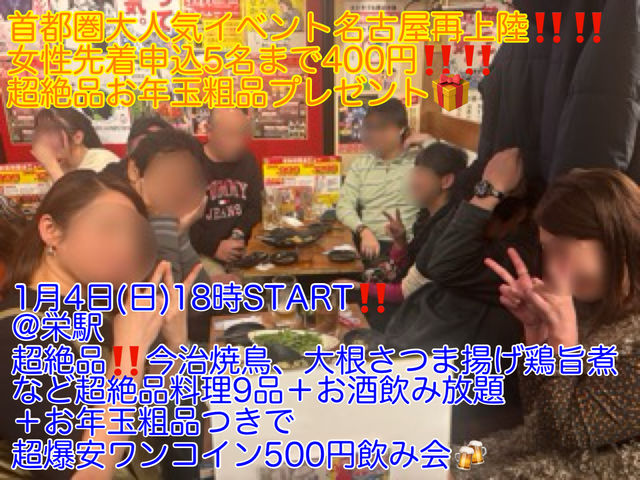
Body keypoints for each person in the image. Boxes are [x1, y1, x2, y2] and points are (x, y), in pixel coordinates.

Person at [0, 170, 201, 479]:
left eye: (133, 235)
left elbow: (145, 424)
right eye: (108, 228)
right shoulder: (19, 335)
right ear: (51, 231)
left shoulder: (92, 312)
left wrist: (174, 345)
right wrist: (129, 354)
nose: (125, 247)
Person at [457, 169, 640, 478]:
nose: (552, 268)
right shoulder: (593, 307)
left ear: (616, 237)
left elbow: (565, 434)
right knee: (441, 460)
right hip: (543, 454)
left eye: (563, 250)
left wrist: (564, 346)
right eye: (547, 251)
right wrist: (537, 335)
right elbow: (537, 419)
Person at [336, 98, 420, 261]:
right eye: (370, 128)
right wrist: (363, 230)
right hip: (369, 244)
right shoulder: (362, 164)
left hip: (408, 246)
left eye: (382, 128)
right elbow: (344, 205)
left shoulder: (418, 162)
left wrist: (427, 141)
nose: (373, 134)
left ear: (401, 129)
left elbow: (449, 173)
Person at [189, 108, 263, 270]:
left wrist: (239, 233)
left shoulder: (247, 161)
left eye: (242, 134)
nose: (238, 142)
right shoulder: (190, 164)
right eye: (230, 134)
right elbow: (182, 221)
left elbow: (256, 206)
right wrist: (214, 247)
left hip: (241, 246)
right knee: (225, 282)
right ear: (209, 131)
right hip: (202, 252)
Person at [31, 108, 119, 182]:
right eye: (41, 133)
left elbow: (77, 197)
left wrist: (51, 165)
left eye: (52, 133)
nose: (44, 141)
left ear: (77, 137)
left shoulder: (103, 161)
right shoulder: (61, 166)